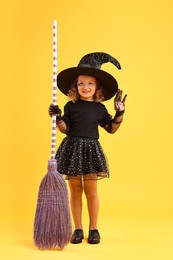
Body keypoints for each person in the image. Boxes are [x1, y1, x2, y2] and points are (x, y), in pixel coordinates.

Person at [48, 52, 127, 244]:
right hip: (72, 149)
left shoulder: (99, 109)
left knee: (91, 190)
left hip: (91, 151)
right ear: (75, 85)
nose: (85, 87)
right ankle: (77, 228)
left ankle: (93, 228)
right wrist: (57, 117)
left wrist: (120, 113)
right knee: (75, 190)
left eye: (90, 83)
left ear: (97, 86)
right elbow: (65, 129)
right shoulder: (71, 106)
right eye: (81, 83)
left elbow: (111, 129)